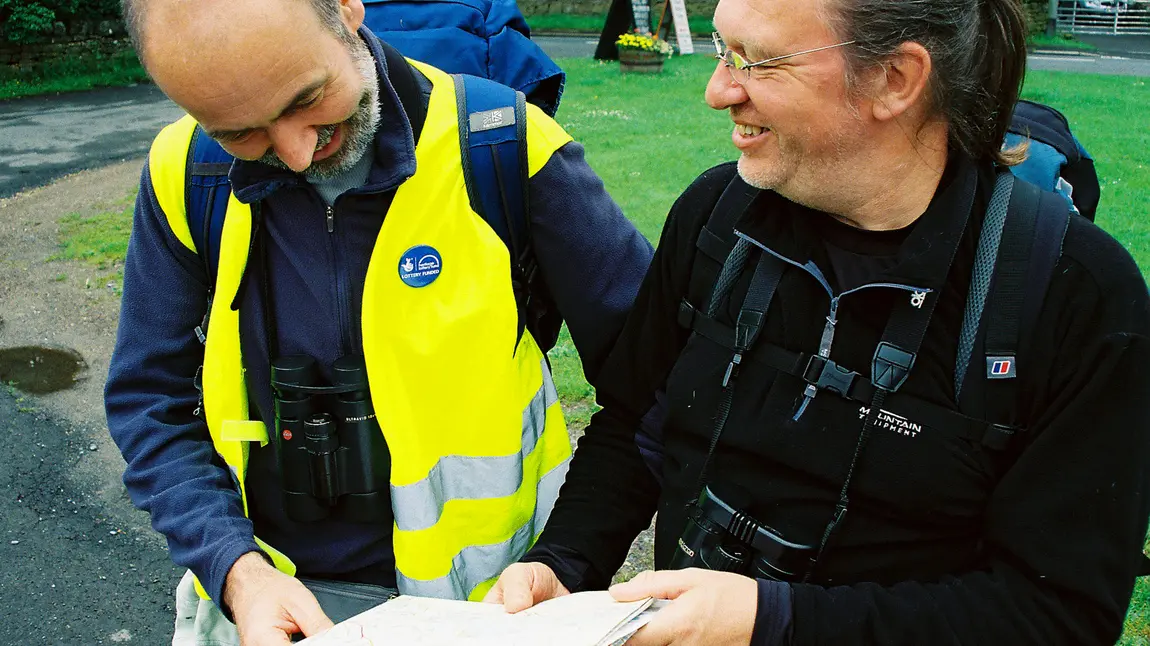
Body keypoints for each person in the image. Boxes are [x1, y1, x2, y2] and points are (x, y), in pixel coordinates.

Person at [486, 0, 1150, 644]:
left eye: (759, 62)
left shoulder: (1075, 298)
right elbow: (638, 424)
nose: (718, 91)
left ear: (895, 79)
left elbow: (1056, 615)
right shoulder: (718, 217)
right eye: (723, 51)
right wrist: (566, 563)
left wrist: (773, 622)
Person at [104, 0, 653, 644]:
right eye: (239, 132)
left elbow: (654, 391)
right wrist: (237, 574)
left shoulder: (505, 146)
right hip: (257, 614)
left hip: (489, 618)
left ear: (345, 10)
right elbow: (149, 400)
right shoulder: (183, 170)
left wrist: (568, 558)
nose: (297, 153)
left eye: (307, 97)